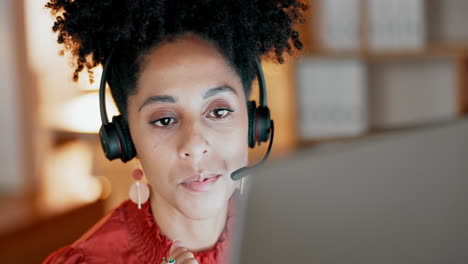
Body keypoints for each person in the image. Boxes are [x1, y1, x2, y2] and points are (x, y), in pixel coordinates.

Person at [42, 0, 306, 263]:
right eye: (165, 120)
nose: (194, 145)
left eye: (218, 111)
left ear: (253, 123)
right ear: (124, 138)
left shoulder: (304, 241)